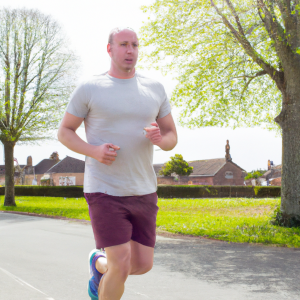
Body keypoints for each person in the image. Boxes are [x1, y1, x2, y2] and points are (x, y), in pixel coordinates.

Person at [57, 27, 177, 300]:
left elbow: (171, 138)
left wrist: (160, 139)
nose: (130, 50)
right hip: (104, 189)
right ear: (109, 49)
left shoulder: (154, 88)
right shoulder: (90, 87)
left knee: (142, 265)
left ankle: (97, 264)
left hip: (143, 189)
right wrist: (94, 151)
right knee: (121, 263)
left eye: (135, 44)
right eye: (123, 44)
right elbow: (64, 131)